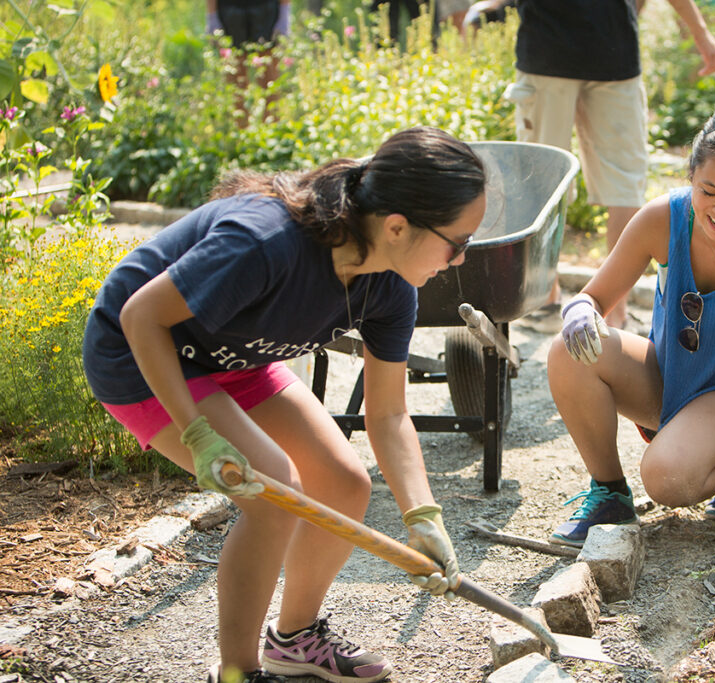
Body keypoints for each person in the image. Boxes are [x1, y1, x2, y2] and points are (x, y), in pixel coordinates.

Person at [82, 126, 486, 683]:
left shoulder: (390, 287)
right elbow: (139, 317)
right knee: (274, 489)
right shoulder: (265, 242)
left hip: (233, 357)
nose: (460, 259)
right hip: (142, 355)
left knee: (346, 483)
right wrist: (199, 434)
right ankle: (236, 673)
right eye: (457, 241)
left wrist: (422, 515)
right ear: (396, 227)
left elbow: (388, 415)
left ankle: (294, 643)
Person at [547, 109, 715, 559]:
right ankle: (611, 496)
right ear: (691, 175)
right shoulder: (664, 218)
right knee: (569, 351)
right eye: (708, 191)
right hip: (675, 377)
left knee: (666, 480)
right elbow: (594, 298)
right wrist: (580, 308)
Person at [508, 0, 715, 333]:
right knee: (623, 185)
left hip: (547, 47)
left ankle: (547, 303)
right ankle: (614, 311)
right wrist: (700, 33)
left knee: (542, 181)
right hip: (612, 49)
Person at [206, 0, 291, 125]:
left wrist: (284, 14)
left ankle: (273, 132)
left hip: (265, 9)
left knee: (269, 76)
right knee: (236, 77)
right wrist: (212, 17)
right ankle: (241, 134)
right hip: (230, 9)